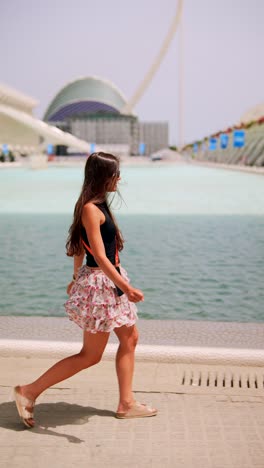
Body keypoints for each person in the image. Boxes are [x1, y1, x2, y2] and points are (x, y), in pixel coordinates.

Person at [14, 151, 158, 428]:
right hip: (104, 284)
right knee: (90, 355)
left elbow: (79, 247)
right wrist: (126, 287)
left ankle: (126, 403)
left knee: (129, 338)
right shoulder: (91, 208)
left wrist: (75, 276)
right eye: (115, 174)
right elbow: (100, 256)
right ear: (103, 176)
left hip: (106, 282)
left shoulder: (96, 204)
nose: (119, 178)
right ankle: (28, 391)